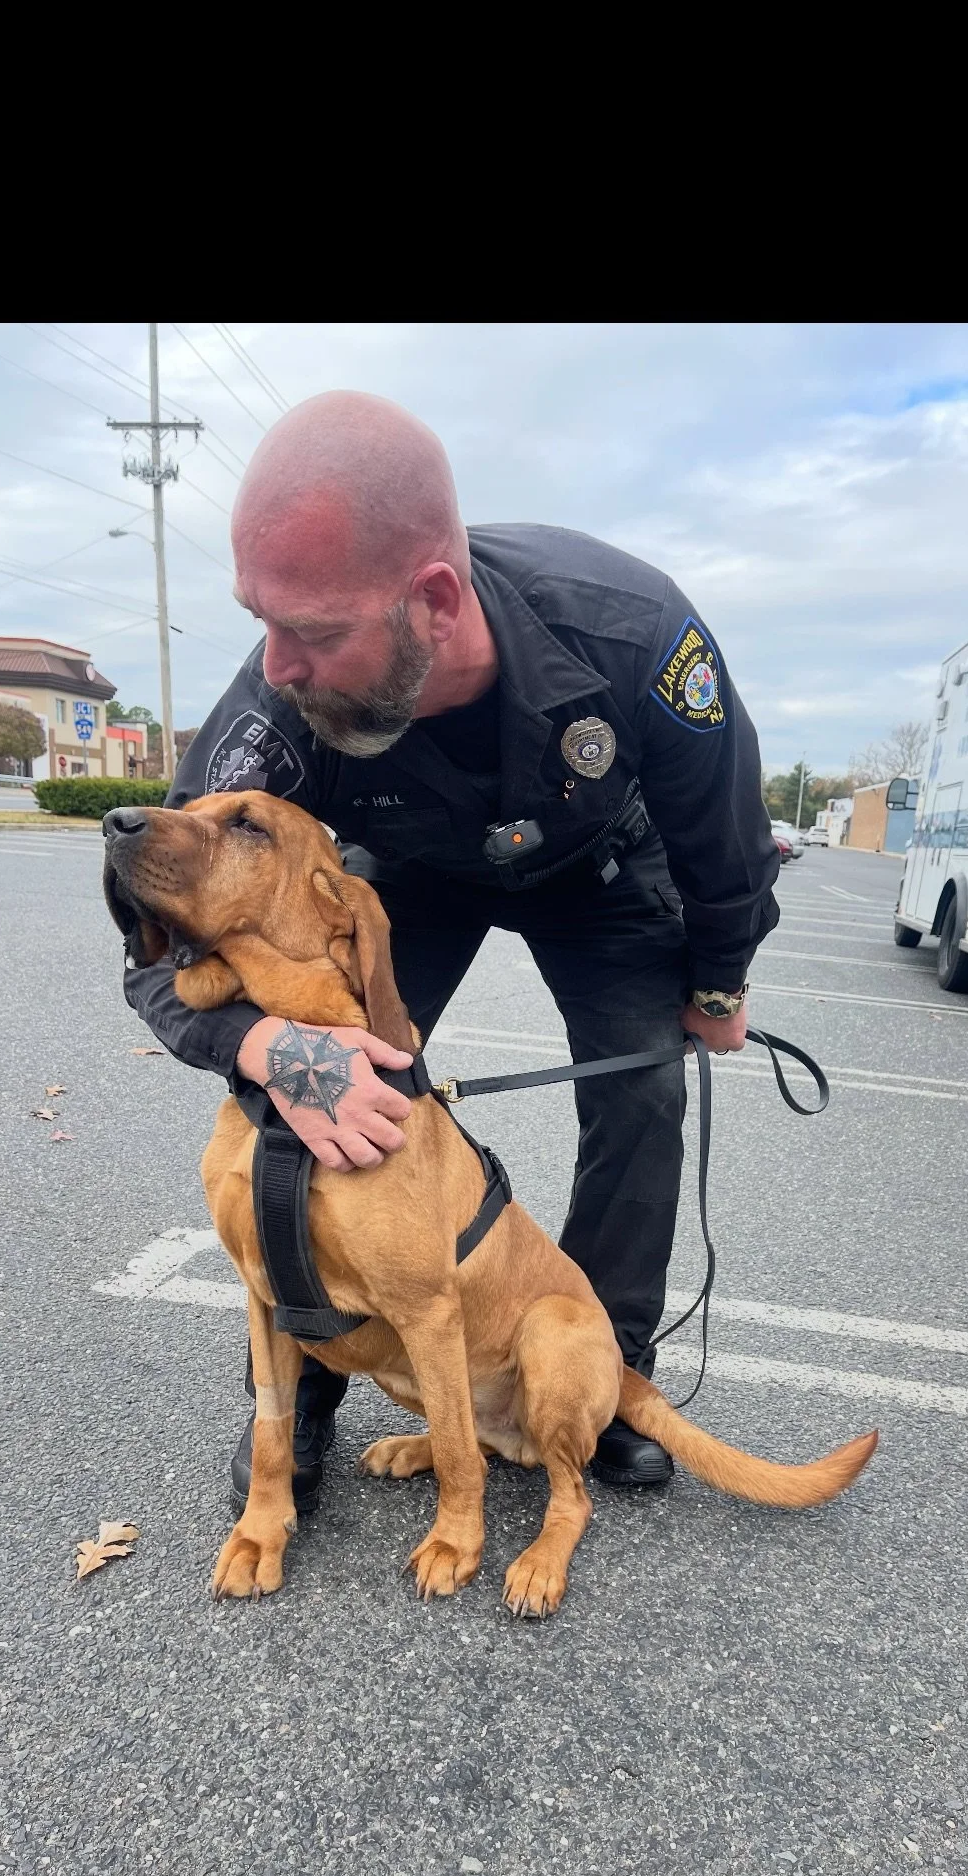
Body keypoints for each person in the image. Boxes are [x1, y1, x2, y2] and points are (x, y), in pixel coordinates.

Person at [121, 392, 780, 1500]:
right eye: (262, 620)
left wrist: (718, 982)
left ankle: (604, 1373)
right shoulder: (275, 707)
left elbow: (725, 840)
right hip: (414, 873)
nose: (278, 663)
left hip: (601, 873)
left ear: (433, 599)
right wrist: (270, 1047)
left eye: (317, 632)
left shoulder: (632, 633)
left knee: (642, 1101)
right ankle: (303, 1395)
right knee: (316, 1086)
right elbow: (158, 944)